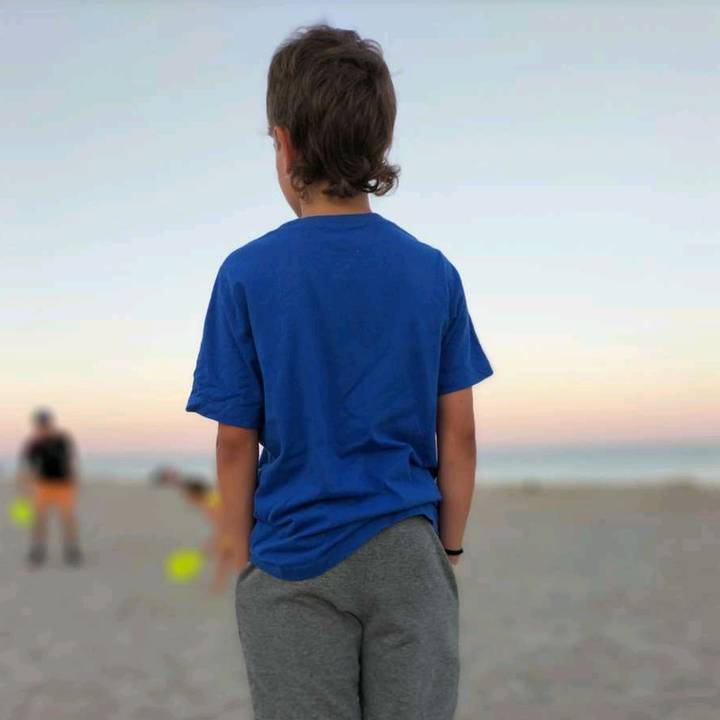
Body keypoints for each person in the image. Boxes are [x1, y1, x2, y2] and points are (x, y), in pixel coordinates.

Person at [186, 23, 494, 720]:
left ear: (285, 144)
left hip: (294, 557)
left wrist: (242, 553)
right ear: (379, 145)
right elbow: (460, 437)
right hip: (408, 549)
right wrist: (448, 548)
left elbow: (234, 443)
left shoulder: (246, 274)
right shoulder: (434, 273)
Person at [17, 408, 83, 567]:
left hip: (64, 485)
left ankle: (71, 550)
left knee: (67, 518)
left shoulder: (63, 439)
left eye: (44, 425)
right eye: (39, 425)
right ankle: (38, 550)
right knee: (40, 518)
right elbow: (30, 466)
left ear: (50, 424)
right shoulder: (33, 444)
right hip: (43, 485)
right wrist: (24, 484)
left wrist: (75, 479)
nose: (42, 428)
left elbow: (70, 461)